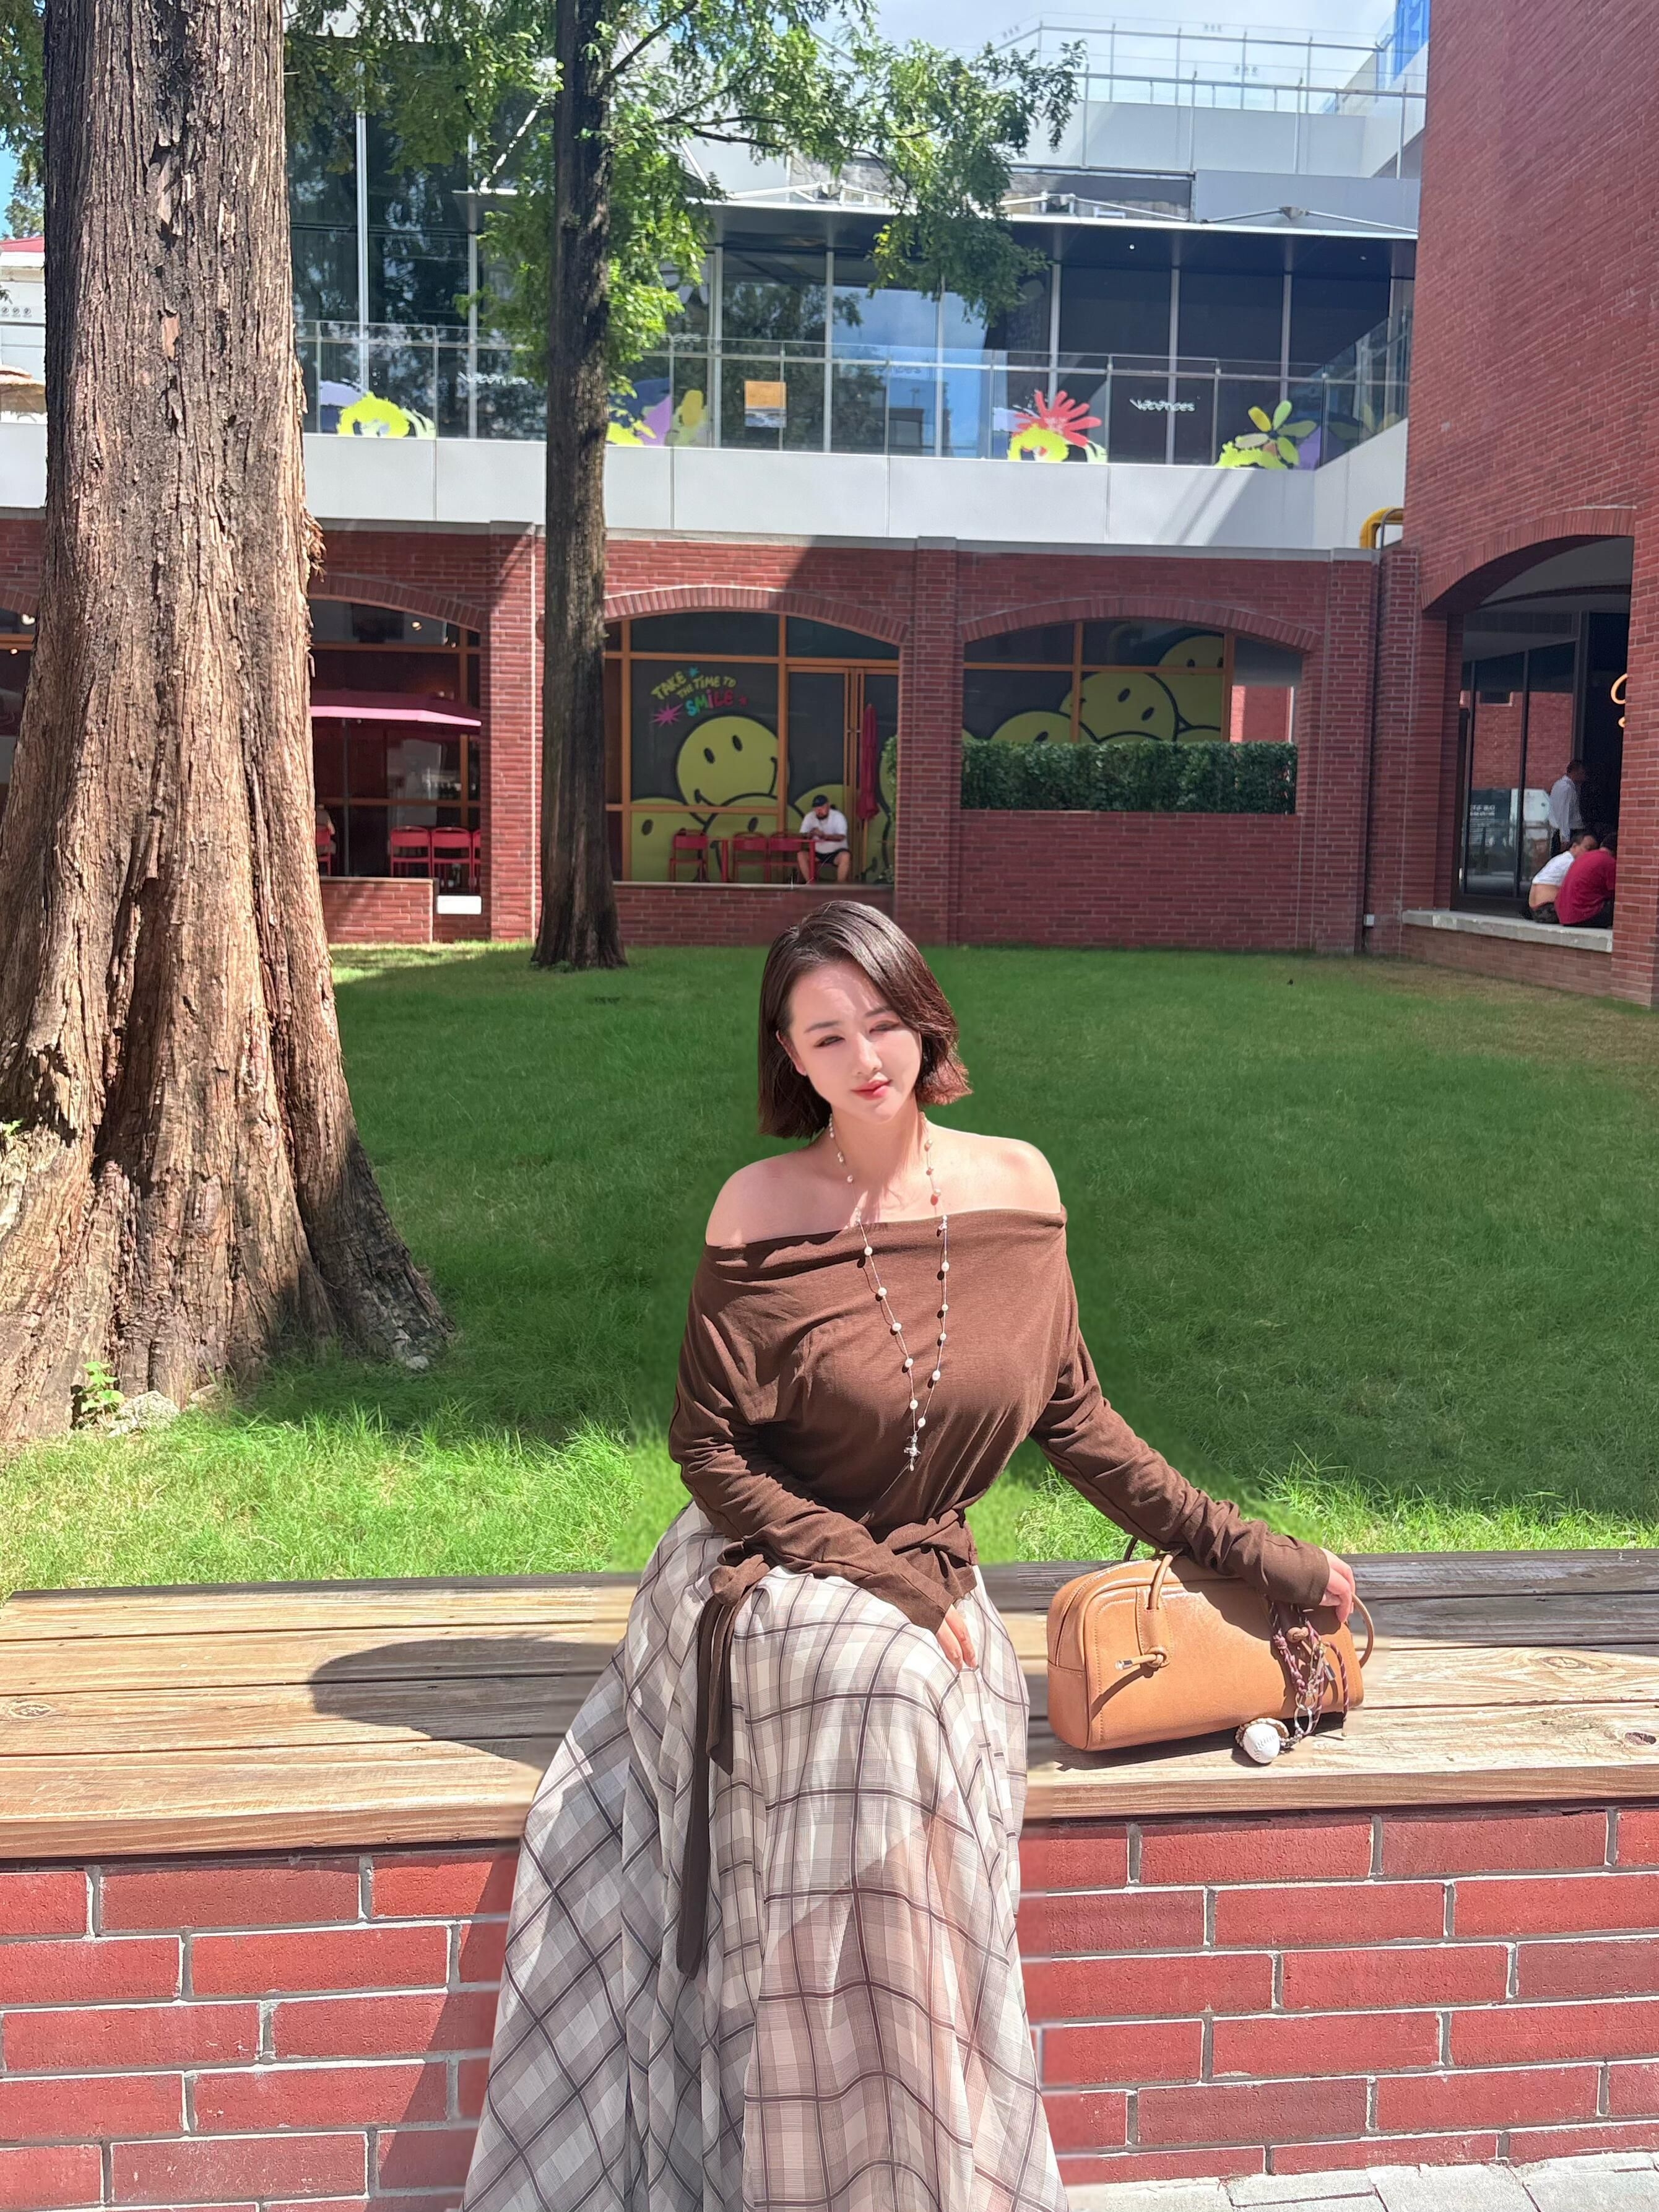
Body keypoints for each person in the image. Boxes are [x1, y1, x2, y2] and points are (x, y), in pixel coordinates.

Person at [462, 903, 1356, 2212]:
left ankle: (916, 2128)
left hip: (923, 1573)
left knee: (917, 1696)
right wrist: (875, 1575)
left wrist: (1262, 1556)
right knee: (891, 1689)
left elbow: (1077, 1422)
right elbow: (709, 1453)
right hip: (764, 1561)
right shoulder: (757, 1208)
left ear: (925, 1019)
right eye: (826, 1034)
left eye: (882, 1021)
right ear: (789, 1054)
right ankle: (863, 2137)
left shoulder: (1019, 1189)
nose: (865, 1056)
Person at [1528, 827, 1598, 921]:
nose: (1592, 854)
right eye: (1588, 849)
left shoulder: (1561, 858)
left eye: (1595, 850)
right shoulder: (1572, 862)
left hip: (1536, 910)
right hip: (1548, 910)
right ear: (1574, 847)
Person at [1555, 826, 1616, 927]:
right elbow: (1617, 894)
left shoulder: (1583, 857)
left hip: (1564, 916)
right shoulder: (1610, 862)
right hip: (1582, 916)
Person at [796, 790, 851, 882]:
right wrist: (809, 834)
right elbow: (802, 835)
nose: (819, 811)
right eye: (816, 809)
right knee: (801, 855)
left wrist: (824, 836)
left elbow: (841, 837)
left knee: (846, 856)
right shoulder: (810, 817)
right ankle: (810, 884)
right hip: (816, 852)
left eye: (822, 808)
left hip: (835, 852)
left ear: (828, 806)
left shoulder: (838, 817)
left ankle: (840, 886)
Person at [1546, 758, 1588, 852]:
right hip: (1571, 831)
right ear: (1575, 772)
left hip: (1561, 830)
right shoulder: (1567, 788)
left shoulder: (1559, 785)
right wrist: (1565, 838)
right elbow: (1564, 813)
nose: (1584, 777)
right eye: (1582, 773)